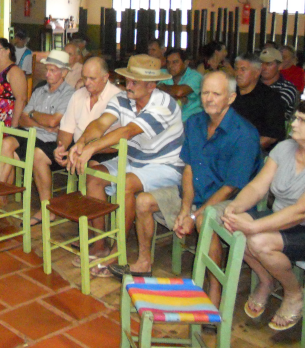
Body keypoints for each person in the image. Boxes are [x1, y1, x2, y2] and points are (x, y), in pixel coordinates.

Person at [108, 72, 260, 306]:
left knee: (204, 221)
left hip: (231, 200)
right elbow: (188, 167)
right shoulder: (195, 123)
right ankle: (143, 263)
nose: (209, 98)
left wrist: (193, 215)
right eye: (205, 93)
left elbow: (230, 187)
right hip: (195, 192)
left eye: (216, 94)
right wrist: (186, 207)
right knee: (143, 201)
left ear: (230, 98)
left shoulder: (245, 134)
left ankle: (214, 291)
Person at [66, 54, 184, 277]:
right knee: (94, 176)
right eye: (127, 79)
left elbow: (127, 131)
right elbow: (101, 123)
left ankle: (117, 251)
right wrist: (82, 143)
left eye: (134, 82)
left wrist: (93, 148)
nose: (128, 85)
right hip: (134, 160)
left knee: (127, 183)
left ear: (151, 85)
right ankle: (100, 243)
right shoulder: (124, 99)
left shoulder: (164, 104)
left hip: (166, 166)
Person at [222, 100, 305, 332]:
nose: (294, 123)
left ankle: (293, 293)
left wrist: (256, 226)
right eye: (296, 117)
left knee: (257, 239)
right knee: (231, 225)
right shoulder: (284, 148)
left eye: (303, 120)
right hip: (281, 220)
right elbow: (257, 187)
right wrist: (236, 208)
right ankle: (267, 279)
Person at [0, 50, 74, 224]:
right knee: (6, 143)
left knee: (33, 154)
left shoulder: (69, 94)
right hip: (35, 133)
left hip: (51, 141)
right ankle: (0, 192)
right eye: (47, 69)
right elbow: (24, 119)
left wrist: (34, 115)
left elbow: (55, 120)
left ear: (64, 72)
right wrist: (41, 123)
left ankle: (46, 209)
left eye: (53, 70)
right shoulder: (40, 90)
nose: (47, 74)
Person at [231, 52, 286, 151]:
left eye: (243, 70)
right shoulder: (228, 93)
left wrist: (242, 151)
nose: (238, 73)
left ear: (257, 73)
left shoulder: (271, 97)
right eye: (236, 69)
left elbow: (271, 136)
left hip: (254, 152)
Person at [158, 48, 203, 122]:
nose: (170, 66)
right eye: (168, 62)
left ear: (186, 63)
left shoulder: (195, 76)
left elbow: (179, 92)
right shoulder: (163, 73)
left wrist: (162, 87)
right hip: (168, 121)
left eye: (175, 62)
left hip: (190, 121)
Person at [260, 46, 299, 122]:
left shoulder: (287, 88)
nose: (263, 67)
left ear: (280, 66)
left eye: (268, 64)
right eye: (261, 63)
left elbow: (272, 110)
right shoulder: (252, 84)